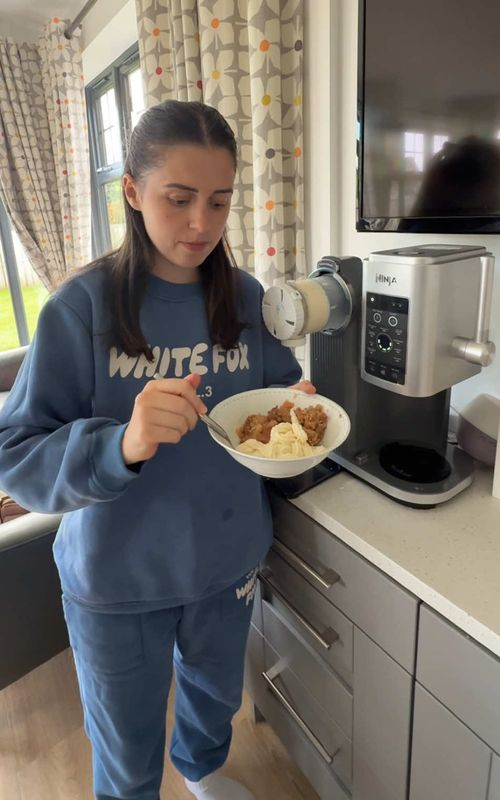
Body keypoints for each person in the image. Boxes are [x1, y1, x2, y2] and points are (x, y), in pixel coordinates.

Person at [0, 99, 315, 800]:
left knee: (212, 701)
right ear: (134, 193)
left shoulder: (243, 297)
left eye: (219, 201)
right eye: (178, 199)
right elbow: (15, 451)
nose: (200, 223)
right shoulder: (80, 309)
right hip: (118, 581)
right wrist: (122, 443)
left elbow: (279, 393)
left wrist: (301, 405)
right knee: (126, 740)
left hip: (225, 563)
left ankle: (202, 776)